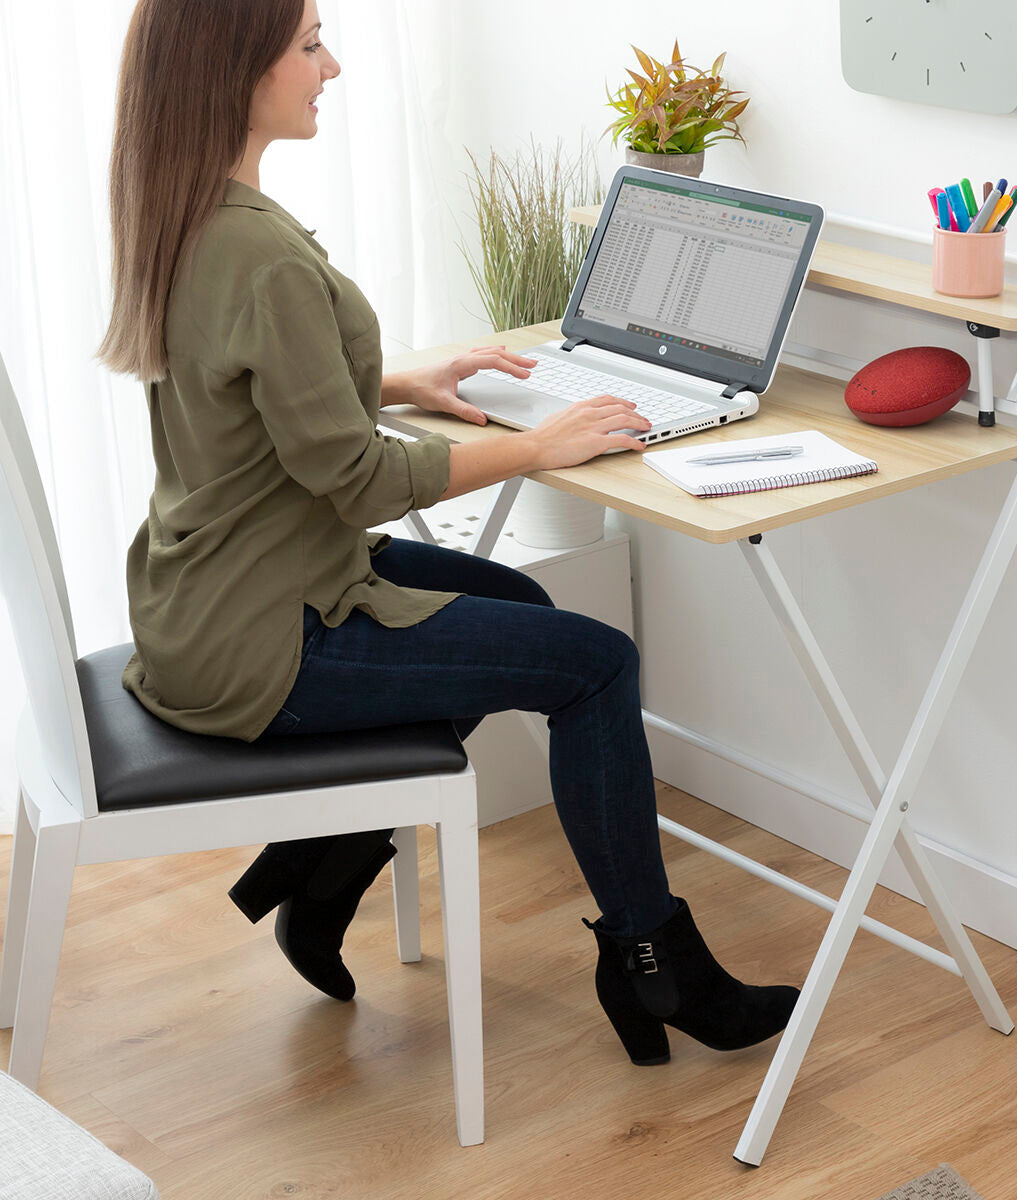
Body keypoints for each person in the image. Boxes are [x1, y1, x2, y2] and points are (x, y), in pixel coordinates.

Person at [98, 0, 799, 1067]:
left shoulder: (187, 214)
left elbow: (244, 389)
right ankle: (654, 966)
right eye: (307, 45)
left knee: (518, 611)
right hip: (272, 638)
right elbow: (356, 475)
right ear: (235, 69)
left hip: (208, 599)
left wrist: (391, 379)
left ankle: (325, 862)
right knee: (598, 664)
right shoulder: (260, 251)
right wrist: (538, 446)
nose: (330, 66)